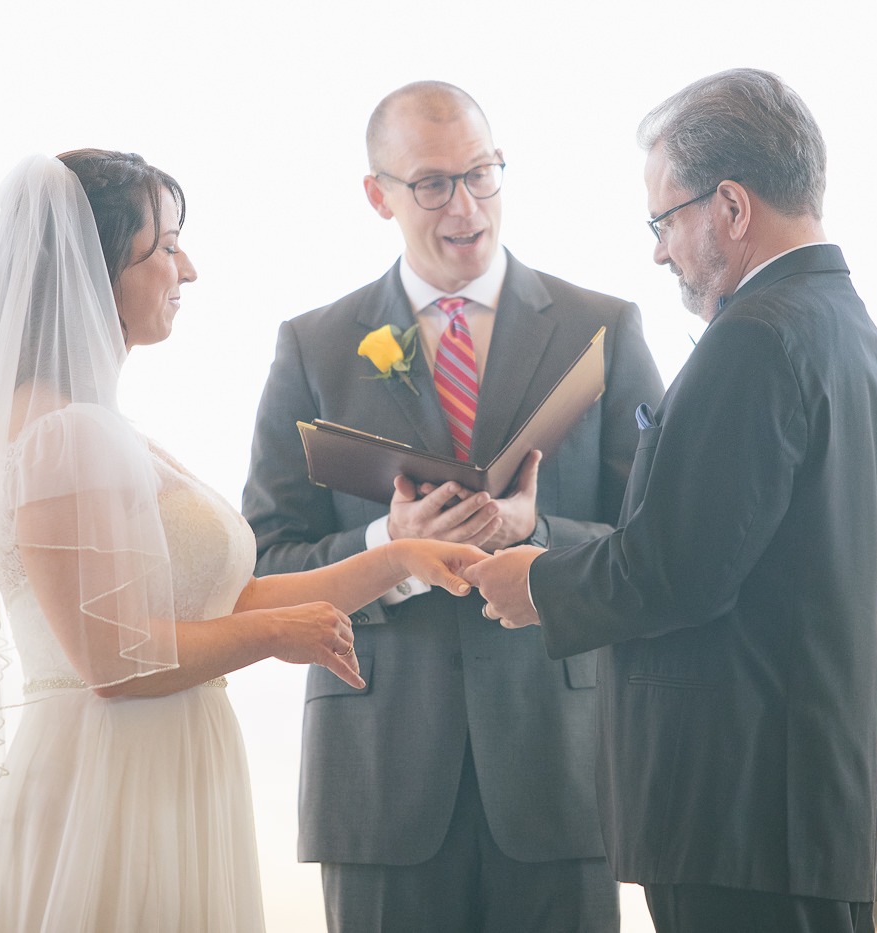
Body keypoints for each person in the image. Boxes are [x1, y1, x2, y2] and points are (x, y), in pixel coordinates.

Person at [0, 150, 485, 932]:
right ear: (97, 269)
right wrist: (275, 633)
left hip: (160, 764)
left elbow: (217, 601)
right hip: (111, 780)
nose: (189, 269)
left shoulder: (98, 427)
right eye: (166, 247)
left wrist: (399, 559)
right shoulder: (61, 433)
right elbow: (110, 663)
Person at [466, 69, 877, 933]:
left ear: (731, 207)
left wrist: (538, 581)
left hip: (737, 810)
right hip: (798, 802)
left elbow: (678, 568)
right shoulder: (846, 328)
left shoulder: (751, 337)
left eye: (664, 220)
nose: (659, 251)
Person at [241, 81, 663, 932]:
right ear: (378, 195)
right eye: (433, 183)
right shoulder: (313, 344)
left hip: (557, 763)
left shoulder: (601, 326)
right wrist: (385, 544)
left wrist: (534, 533)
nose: (465, 205)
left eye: (482, 173)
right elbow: (263, 558)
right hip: (380, 772)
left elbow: (651, 544)